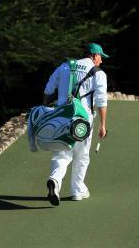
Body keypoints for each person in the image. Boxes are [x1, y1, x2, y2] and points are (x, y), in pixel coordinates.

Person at [42, 43, 108, 205]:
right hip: (82, 119)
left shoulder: (65, 66)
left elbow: (49, 88)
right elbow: (101, 100)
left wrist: (44, 108)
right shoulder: (98, 73)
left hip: (61, 116)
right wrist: (103, 124)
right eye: (100, 57)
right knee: (82, 155)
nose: (101, 61)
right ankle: (77, 190)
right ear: (94, 56)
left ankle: (55, 179)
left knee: (62, 153)